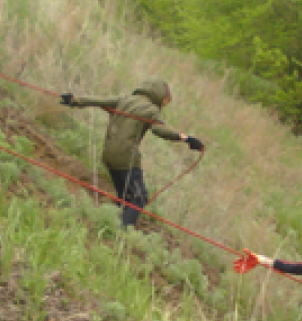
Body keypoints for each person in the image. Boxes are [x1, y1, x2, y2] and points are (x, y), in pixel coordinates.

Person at [59, 79, 204, 228]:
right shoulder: (150, 110)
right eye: (164, 102)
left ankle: (108, 224)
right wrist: (186, 138)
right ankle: (121, 232)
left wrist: (74, 100)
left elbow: (98, 100)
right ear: (158, 95)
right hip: (126, 160)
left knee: (125, 197)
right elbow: (159, 129)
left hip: (108, 155)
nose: (163, 106)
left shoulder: (124, 100)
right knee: (139, 197)